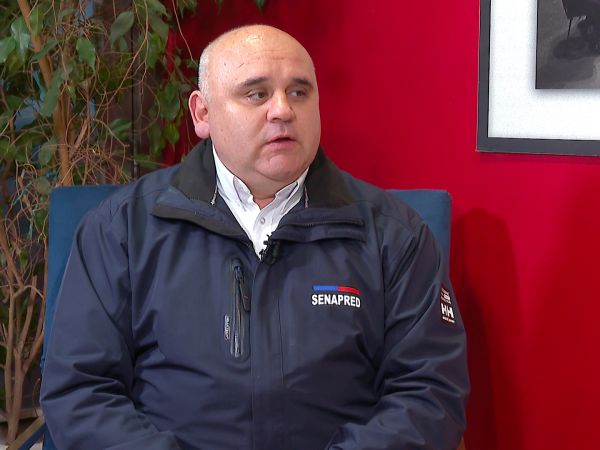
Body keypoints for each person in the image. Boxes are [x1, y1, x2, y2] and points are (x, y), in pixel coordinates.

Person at [41, 25, 469, 450]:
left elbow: (430, 394)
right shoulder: (121, 229)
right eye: (256, 94)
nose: (283, 110)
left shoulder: (394, 234)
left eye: (299, 92)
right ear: (202, 114)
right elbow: (80, 391)